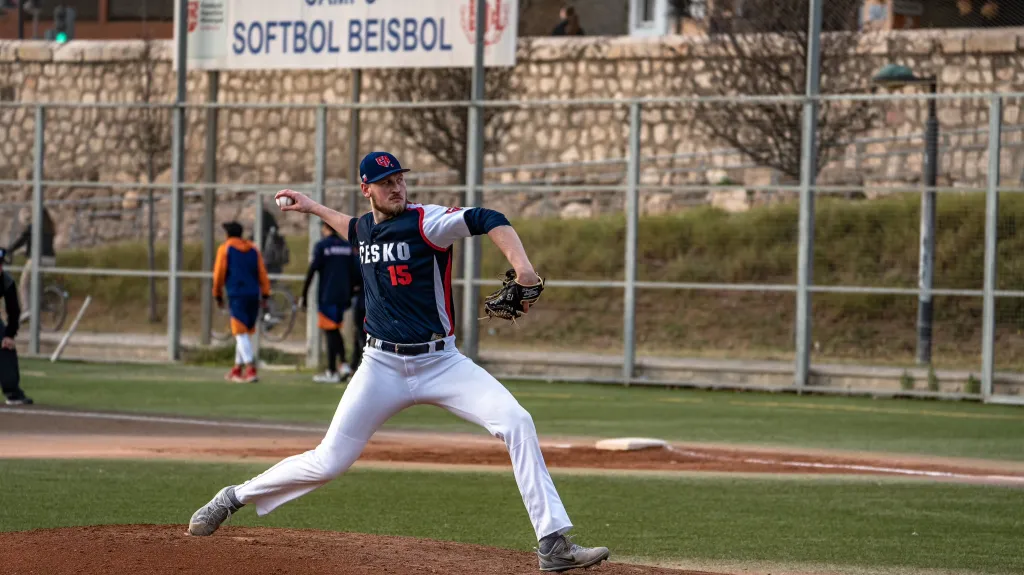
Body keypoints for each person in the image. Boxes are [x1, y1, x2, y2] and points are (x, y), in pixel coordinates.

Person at [187, 151, 610, 572]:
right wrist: (313, 208)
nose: (397, 188)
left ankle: (552, 544)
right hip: (380, 367)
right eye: (386, 182)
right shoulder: (367, 226)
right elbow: (354, 228)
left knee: (517, 422)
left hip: (442, 363)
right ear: (366, 189)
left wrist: (525, 272)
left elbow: (488, 217)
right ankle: (233, 497)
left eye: (400, 180)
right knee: (328, 461)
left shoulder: (427, 222)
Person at [299, 221, 359, 384]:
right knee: (333, 329)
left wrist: (304, 295)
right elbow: (355, 270)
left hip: (327, 295)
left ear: (326, 228)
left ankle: (337, 368)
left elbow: (312, 269)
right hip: (344, 295)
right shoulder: (347, 247)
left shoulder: (323, 246)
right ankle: (337, 367)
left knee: (330, 331)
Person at [212, 221, 271, 384]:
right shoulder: (253, 249)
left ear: (227, 235)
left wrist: (217, 294)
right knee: (244, 333)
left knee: (240, 333)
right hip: (254, 294)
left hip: (237, 295)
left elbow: (219, 274)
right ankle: (237, 369)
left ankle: (250, 368)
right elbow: (262, 272)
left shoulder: (225, 249)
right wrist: (265, 294)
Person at [9, 206, 57, 319]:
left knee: (24, 283)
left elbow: (21, 240)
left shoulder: (33, 227)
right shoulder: (50, 228)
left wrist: (10, 250)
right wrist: (26, 252)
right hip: (50, 259)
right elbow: (40, 244)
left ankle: (26, 310)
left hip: (37, 259)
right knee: (36, 281)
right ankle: (40, 302)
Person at [0, 248, 32, 406]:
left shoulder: (6, 281)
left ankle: (12, 392)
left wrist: (9, 335)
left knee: (6, 346)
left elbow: (13, 311)